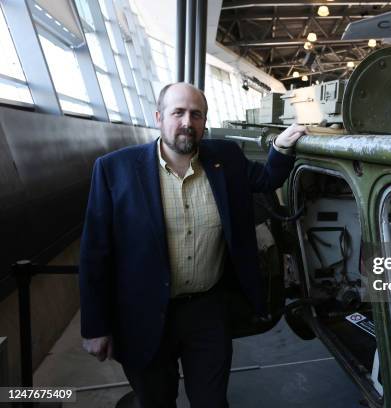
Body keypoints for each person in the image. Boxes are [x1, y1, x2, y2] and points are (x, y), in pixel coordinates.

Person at [79, 82, 306, 407]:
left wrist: (282, 147)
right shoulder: (116, 170)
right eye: (178, 112)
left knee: (212, 401)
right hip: (141, 313)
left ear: (204, 120)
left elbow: (267, 179)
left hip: (207, 310)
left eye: (196, 114)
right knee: (155, 400)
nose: (187, 122)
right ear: (159, 117)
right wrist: (95, 326)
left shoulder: (224, 158)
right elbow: (95, 253)